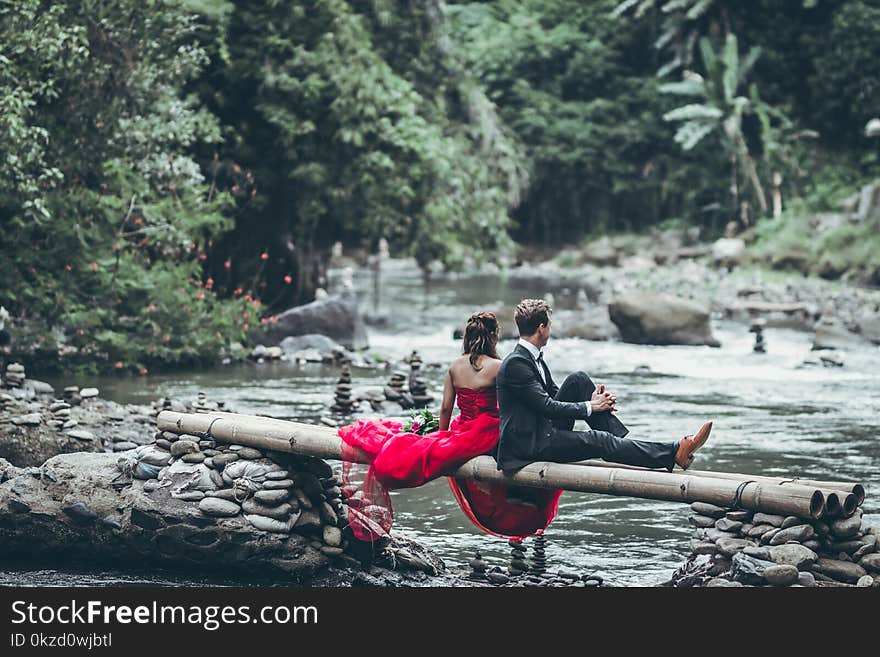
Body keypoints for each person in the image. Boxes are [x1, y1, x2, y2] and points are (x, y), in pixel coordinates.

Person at [338, 311, 562, 541]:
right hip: (491, 429)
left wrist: (440, 437)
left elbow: (446, 408)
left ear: (467, 336)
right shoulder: (500, 366)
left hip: (462, 426)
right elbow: (513, 404)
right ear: (493, 336)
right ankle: (520, 500)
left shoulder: (455, 367)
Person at [495, 298, 712, 475]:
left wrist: (595, 400)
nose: (550, 330)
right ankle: (673, 452)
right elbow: (548, 406)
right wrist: (591, 406)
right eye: (549, 325)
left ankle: (622, 444)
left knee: (578, 379)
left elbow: (553, 393)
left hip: (541, 431)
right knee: (600, 441)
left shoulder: (533, 358)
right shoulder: (516, 363)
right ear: (541, 328)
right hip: (530, 445)